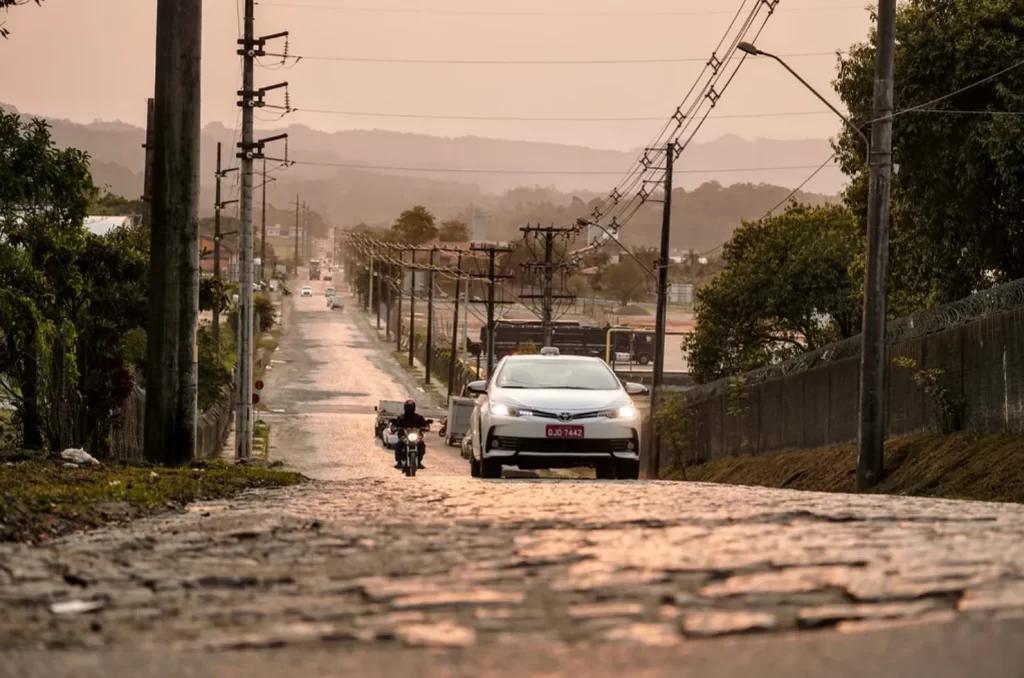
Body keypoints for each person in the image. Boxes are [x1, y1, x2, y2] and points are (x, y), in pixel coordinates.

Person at [392, 399, 429, 469]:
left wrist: (427, 427)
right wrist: (394, 427)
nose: (410, 409)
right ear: (405, 408)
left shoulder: (419, 417)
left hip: (416, 437)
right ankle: (399, 462)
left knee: (421, 444)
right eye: (408, 407)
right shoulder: (401, 417)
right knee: (399, 444)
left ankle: (418, 461)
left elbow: (425, 424)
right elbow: (395, 424)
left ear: (414, 408)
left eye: (411, 407)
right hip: (404, 437)